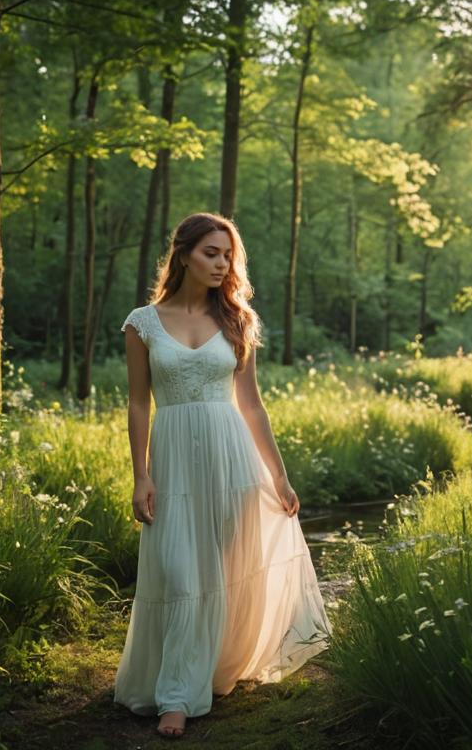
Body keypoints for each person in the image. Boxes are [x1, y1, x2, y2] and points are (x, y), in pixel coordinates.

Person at [113, 212, 332, 739]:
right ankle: (175, 698)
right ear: (184, 253)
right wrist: (140, 475)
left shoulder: (238, 319)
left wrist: (278, 476)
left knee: (222, 574)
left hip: (231, 458)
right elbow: (139, 405)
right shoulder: (143, 322)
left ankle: (203, 673)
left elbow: (252, 406)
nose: (222, 263)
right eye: (211, 252)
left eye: (228, 254)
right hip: (172, 461)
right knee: (182, 574)